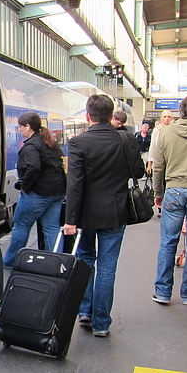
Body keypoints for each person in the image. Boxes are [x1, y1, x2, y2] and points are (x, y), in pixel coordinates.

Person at [62, 95, 144, 337]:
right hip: (116, 212)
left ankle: (85, 311)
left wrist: (70, 220)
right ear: (111, 116)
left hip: (86, 215)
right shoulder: (126, 139)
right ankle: (101, 323)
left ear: (88, 116)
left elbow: (74, 185)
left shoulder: (78, 143)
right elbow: (138, 171)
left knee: (86, 260)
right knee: (108, 267)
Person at [151, 94, 187, 306]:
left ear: (182, 109)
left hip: (173, 190)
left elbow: (159, 165)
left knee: (168, 242)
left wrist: (158, 193)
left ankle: (163, 292)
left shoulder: (166, 131)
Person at [3, 112, 67, 268]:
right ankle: (57, 263)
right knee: (51, 228)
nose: (19, 130)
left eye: (20, 127)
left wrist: (25, 185)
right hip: (57, 193)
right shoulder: (50, 143)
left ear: (28, 127)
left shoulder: (31, 146)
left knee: (21, 225)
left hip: (38, 194)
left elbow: (34, 167)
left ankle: (10, 261)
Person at [146, 110, 174, 174]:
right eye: (165, 117)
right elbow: (152, 146)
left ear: (172, 119)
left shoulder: (175, 130)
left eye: (169, 117)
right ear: (161, 119)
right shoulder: (157, 130)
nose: (167, 119)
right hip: (158, 160)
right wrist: (149, 164)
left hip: (171, 162)